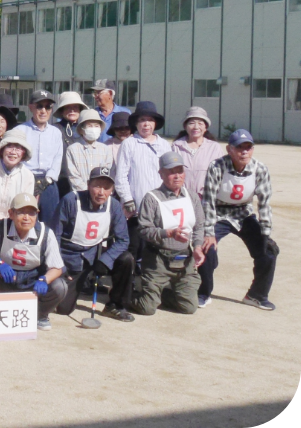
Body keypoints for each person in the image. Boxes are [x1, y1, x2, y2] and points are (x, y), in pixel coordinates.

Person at [198, 129, 278, 311]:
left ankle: (256, 295)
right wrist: (208, 232)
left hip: (243, 213)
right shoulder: (217, 167)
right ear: (229, 149)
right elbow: (208, 201)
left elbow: (264, 203)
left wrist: (265, 233)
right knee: (207, 248)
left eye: (248, 147)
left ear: (253, 149)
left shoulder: (260, 169)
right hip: (218, 212)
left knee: (268, 251)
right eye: (239, 148)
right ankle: (203, 292)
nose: (244, 152)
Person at [56, 167, 136, 322]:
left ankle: (116, 305)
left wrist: (106, 260)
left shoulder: (113, 205)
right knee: (63, 309)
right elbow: (54, 236)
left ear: (112, 190)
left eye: (107, 188)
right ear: (88, 185)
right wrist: (59, 266)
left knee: (126, 259)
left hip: (96, 254)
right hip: (71, 257)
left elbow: (123, 240)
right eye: (97, 186)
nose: (101, 192)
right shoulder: (70, 201)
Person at [131, 152, 205, 316]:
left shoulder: (192, 197)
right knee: (147, 309)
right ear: (161, 174)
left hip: (184, 258)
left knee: (189, 307)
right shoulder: (152, 198)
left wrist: (198, 247)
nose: (177, 176)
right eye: (171, 172)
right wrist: (168, 233)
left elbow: (199, 226)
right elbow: (143, 229)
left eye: (180, 171)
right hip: (158, 259)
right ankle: (129, 294)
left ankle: (160, 294)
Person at [0, 193, 67, 330]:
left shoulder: (46, 233)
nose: (26, 218)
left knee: (60, 286)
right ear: (11, 213)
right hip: (3, 278)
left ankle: (40, 315)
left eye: (31, 213)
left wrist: (44, 279)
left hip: (32, 280)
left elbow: (57, 267)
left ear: (37, 215)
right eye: (21, 212)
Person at [114, 101, 172, 263]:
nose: (146, 124)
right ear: (136, 123)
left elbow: (170, 175)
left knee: (156, 249)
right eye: (141, 120)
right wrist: (127, 199)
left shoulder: (164, 145)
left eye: (150, 120)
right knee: (134, 249)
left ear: (155, 123)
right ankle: (131, 284)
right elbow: (121, 177)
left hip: (161, 208)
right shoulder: (129, 144)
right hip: (136, 209)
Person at [21, 89, 64, 227]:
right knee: (25, 220)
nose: (43, 111)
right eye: (39, 106)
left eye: (48, 107)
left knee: (51, 223)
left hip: (48, 183)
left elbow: (58, 158)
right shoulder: (20, 130)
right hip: (26, 181)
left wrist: (48, 179)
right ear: (31, 107)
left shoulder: (56, 132)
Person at [172, 106, 224, 199]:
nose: (196, 127)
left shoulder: (214, 147)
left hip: (207, 199)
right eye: (191, 123)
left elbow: (221, 175)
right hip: (181, 198)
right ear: (185, 126)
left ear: (205, 127)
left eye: (200, 123)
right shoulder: (176, 146)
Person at [66, 109, 114, 191]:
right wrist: (87, 191)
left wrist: (97, 191)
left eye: (96, 126)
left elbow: (106, 174)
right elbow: (73, 176)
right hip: (79, 194)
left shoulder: (106, 150)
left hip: (100, 195)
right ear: (81, 129)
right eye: (89, 126)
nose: (93, 129)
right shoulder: (72, 149)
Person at [53, 91, 88, 195]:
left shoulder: (87, 129)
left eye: (75, 107)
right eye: (68, 107)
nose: (72, 110)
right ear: (62, 110)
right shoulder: (54, 129)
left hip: (83, 181)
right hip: (61, 181)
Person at [90, 79, 131, 143]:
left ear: (110, 93)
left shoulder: (124, 113)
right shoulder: (92, 113)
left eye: (98, 93)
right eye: (95, 93)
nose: (96, 96)